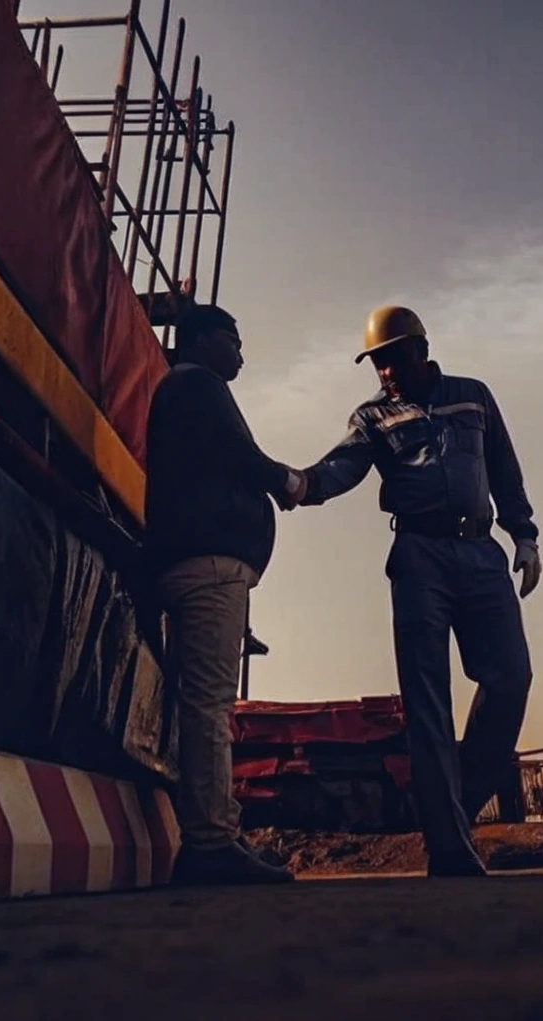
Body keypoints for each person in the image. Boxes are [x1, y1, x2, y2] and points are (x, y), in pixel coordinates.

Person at [286, 305, 541, 877]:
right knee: (427, 700)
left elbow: (504, 469)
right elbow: (344, 465)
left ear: (421, 349)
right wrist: (301, 484)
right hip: (419, 555)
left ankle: (459, 806)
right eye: (377, 364)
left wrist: (523, 535)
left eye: (393, 358)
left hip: (480, 552)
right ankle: (449, 847)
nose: (385, 372)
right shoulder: (374, 416)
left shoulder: (472, 396)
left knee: (510, 677)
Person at [145, 303, 305, 885]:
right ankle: (212, 842)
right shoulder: (198, 385)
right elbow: (240, 455)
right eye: (234, 339)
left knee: (199, 704)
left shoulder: (177, 391)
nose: (241, 352)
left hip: (196, 562)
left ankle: (219, 832)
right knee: (211, 705)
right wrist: (288, 482)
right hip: (209, 567)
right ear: (205, 341)